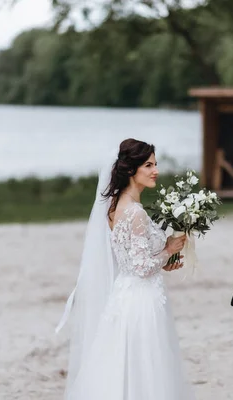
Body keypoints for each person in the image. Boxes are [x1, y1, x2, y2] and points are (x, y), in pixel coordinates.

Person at [57, 138, 196, 400]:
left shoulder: (114, 207)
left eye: (155, 164)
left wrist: (165, 261)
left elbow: (134, 259)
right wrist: (168, 249)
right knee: (148, 365)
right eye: (148, 165)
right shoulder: (135, 213)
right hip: (142, 298)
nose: (155, 170)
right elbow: (141, 267)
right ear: (131, 170)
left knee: (122, 361)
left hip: (125, 294)